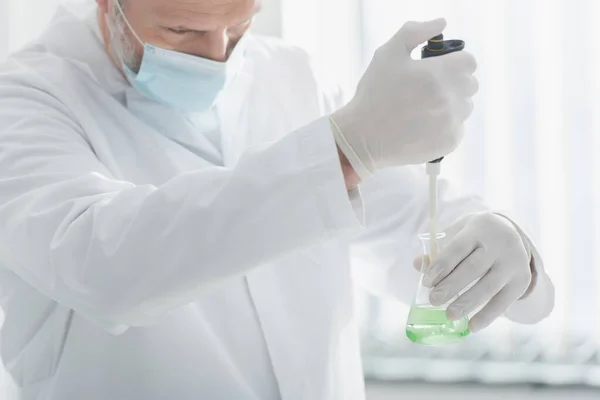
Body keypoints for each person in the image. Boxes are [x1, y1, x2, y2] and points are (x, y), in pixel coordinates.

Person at [0, 0, 554, 399]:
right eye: (180, 30)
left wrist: (505, 251)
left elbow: (413, 226)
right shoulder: (25, 101)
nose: (216, 56)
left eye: (239, 26)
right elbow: (104, 264)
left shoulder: (292, 75)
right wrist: (340, 151)